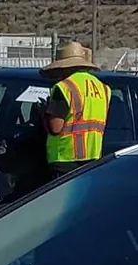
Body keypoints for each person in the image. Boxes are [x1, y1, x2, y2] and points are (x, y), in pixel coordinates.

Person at [37, 41, 110, 175]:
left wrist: (43, 114)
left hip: (65, 158)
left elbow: (55, 127)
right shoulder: (103, 88)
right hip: (93, 157)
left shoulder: (64, 87)